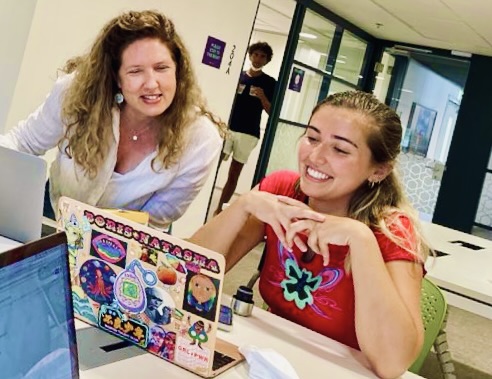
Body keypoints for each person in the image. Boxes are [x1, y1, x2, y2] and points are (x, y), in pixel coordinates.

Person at [191, 91, 430, 378]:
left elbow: (392, 364)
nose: (315, 157)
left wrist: (361, 239)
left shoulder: (392, 230)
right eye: (312, 138)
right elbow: (184, 275)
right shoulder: (283, 190)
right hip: (272, 363)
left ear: (379, 170)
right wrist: (243, 205)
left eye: (340, 150)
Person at [0, 10, 225, 230]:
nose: (152, 83)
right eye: (136, 71)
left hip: (127, 240)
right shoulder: (77, 93)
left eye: (161, 68)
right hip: (54, 212)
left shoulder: (201, 140)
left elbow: (154, 223)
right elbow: (23, 143)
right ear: (116, 77)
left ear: (178, 70)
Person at [213, 41, 277, 215]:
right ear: (250, 55)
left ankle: (219, 210)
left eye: (262, 56)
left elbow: (273, 112)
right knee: (213, 166)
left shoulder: (270, 83)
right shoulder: (238, 76)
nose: (258, 58)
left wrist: (263, 96)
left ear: (267, 60)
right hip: (229, 128)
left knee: (234, 174)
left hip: (249, 133)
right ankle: (202, 202)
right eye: (255, 54)